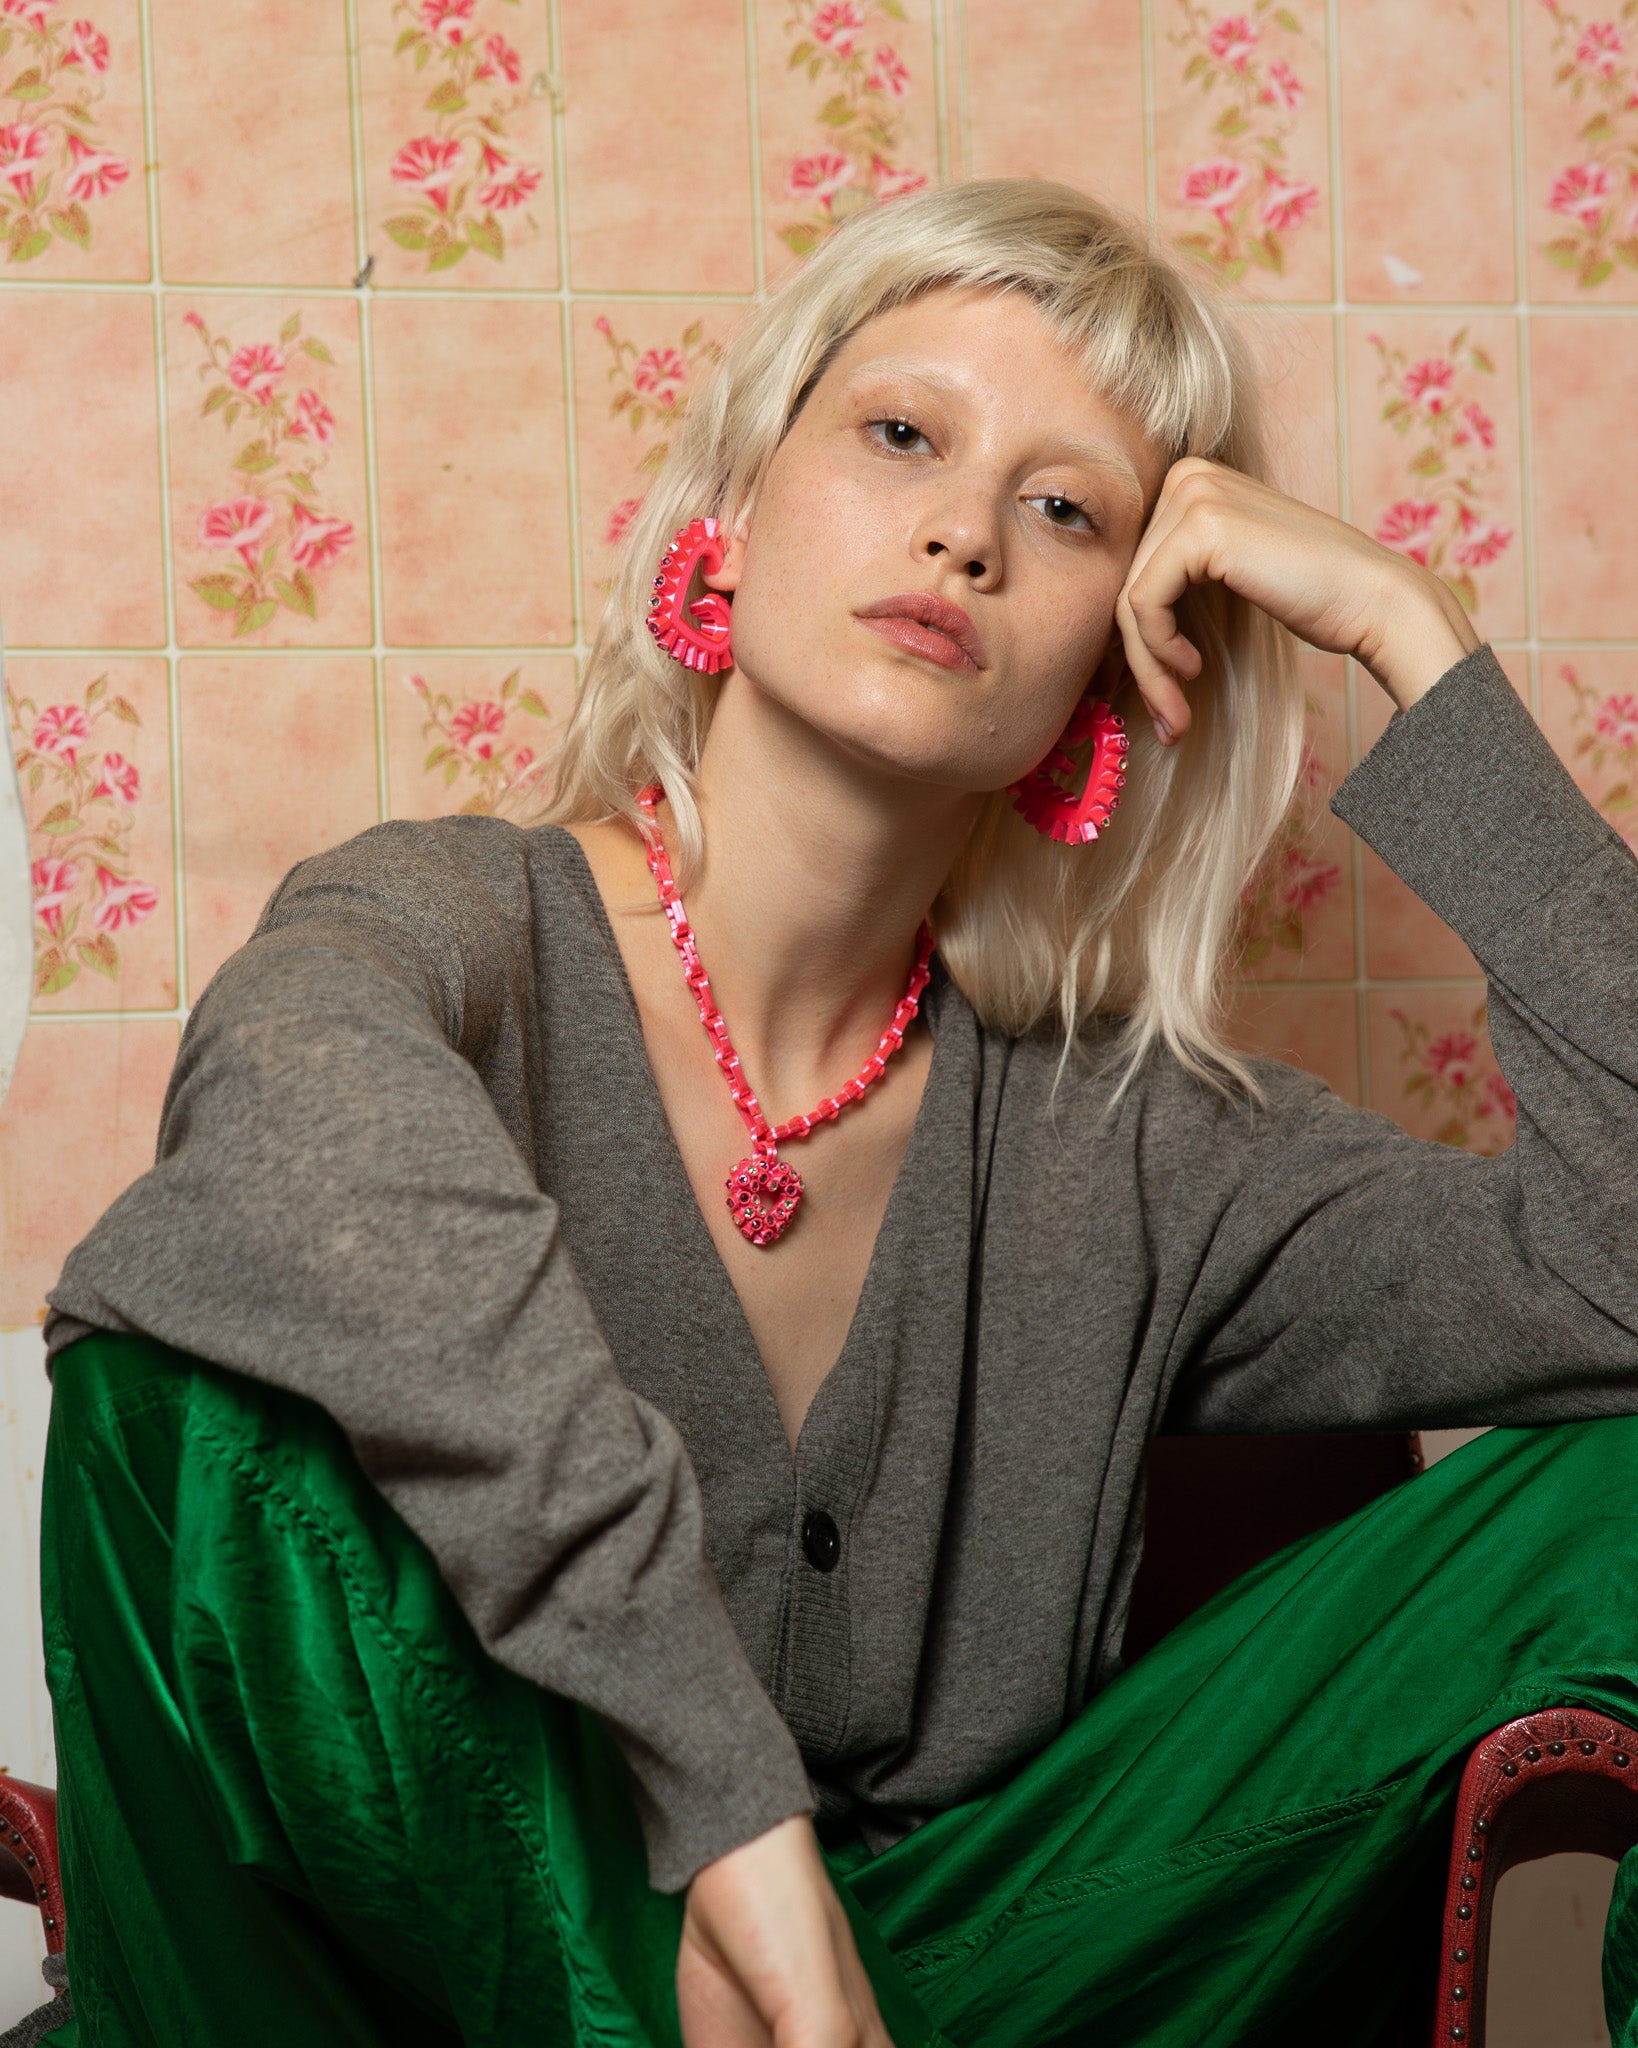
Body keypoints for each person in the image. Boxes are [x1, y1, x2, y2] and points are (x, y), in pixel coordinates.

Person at [31, 179, 1638, 2048]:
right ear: (728, 518)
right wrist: (731, 1822)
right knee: (172, 1383)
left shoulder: (1141, 1142)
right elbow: (256, 1201)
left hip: (962, 1979)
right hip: (473, 1970)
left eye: (1065, 510)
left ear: (1114, 671)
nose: (963, 533)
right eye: (899, 437)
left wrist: (1409, 639)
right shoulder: (436, 931)